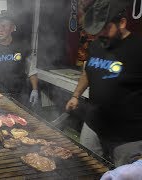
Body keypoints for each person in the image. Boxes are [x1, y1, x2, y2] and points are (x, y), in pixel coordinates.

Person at [65, 0, 142, 167]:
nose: (101, 34)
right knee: (86, 168)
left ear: (122, 23)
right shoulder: (96, 44)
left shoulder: (138, 49)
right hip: (93, 126)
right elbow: (88, 71)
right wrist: (76, 95)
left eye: (106, 28)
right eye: (98, 30)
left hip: (126, 137)